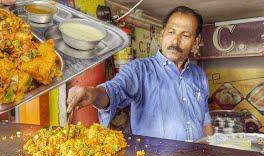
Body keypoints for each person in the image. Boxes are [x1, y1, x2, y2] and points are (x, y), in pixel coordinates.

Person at [67, 6, 214, 141]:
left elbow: (204, 116)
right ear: (162, 35)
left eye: (186, 35)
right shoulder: (139, 70)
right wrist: (93, 94)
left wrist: (212, 148)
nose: (175, 40)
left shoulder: (199, 74)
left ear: (196, 42)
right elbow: (115, 89)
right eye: (171, 32)